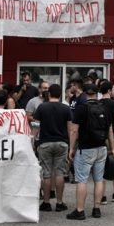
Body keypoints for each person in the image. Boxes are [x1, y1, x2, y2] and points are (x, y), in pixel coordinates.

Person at [66, 83, 112, 220]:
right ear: (97, 93)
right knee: (99, 179)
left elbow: (74, 130)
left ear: (84, 93)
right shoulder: (105, 107)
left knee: (82, 180)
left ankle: (80, 210)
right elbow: (109, 129)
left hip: (86, 148)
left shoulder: (81, 109)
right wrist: (111, 148)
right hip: (101, 147)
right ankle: (97, 209)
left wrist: (71, 148)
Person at [34, 84, 72, 212]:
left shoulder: (42, 107)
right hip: (62, 143)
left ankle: (46, 202)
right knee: (60, 173)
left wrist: (33, 140)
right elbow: (70, 129)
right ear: (60, 95)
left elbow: (36, 126)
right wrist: (71, 146)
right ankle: (60, 202)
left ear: (49, 94)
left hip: (45, 143)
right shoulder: (66, 109)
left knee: (46, 173)